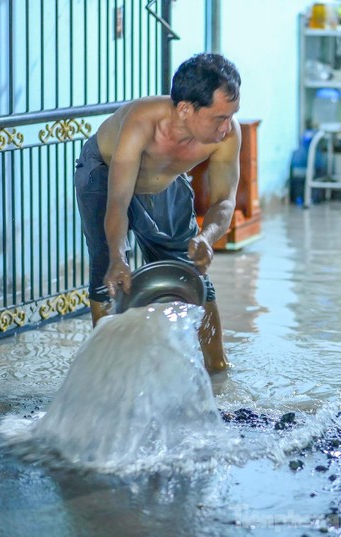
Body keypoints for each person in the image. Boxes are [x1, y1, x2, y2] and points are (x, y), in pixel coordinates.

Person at [74, 52, 241, 374]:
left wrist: (207, 237)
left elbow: (225, 200)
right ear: (185, 109)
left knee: (191, 268)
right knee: (106, 267)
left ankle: (217, 366)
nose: (227, 126)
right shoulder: (142, 122)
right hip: (104, 172)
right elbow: (118, 202)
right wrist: (119, 256)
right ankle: (110, 369)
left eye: (232, 115)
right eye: (218, 117)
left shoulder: (228, 135)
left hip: (164, 180)